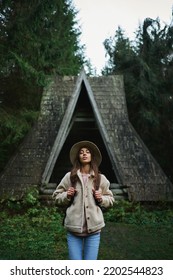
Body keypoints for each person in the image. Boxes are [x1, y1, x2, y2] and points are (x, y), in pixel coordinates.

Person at [52, 140, 114, 260]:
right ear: (78, 157)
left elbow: (111, 199)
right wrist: (66, 195)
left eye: (87, 152)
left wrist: (101, 198)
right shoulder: (69, 177)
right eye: (81, 152)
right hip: (73, 231)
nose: (84, 154)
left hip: (94, 231)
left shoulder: (101, 179)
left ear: (92, 156)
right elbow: (56, 197)